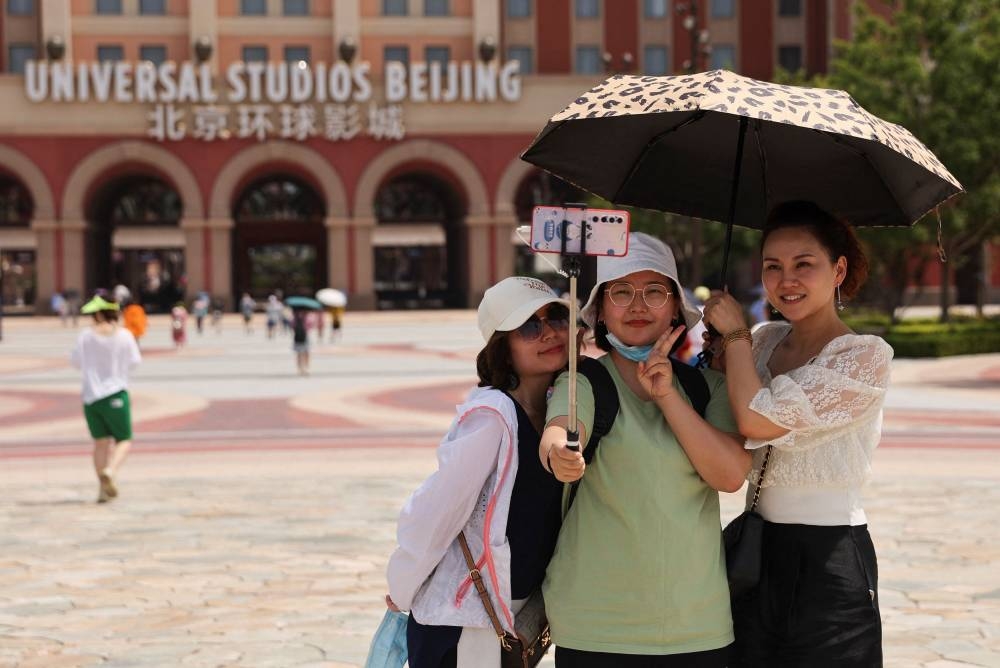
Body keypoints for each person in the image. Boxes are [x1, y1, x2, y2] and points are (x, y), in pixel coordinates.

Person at [542, 232, 750, 667]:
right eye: (621, 292)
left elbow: (730, 475)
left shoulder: (708, 388)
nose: (638, 305)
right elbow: (561, 429)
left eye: (654, 291)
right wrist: (560, 454)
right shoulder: (584, 382)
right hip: (595, 627)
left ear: (675, 307)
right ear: (601, 310)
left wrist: (669, 396)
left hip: (696, 626)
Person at [702, 201, 892, 667]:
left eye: (803, 264)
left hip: (830, 557)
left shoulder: (863, 356)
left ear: (838, 270)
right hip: (756, 550)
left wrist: (736, 337)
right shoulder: (765, 340)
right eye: (773, 266)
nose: (786, 280)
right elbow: (727, 416)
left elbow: (757, 421)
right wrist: (723, 357)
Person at [384, 277, 571, 667]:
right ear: (503, 349)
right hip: (462, 622)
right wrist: (402, 585)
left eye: (555, 317)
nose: (549, 333)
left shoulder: (560, 410)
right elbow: (438, 508)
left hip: (508, 617)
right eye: (529, 326)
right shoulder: (492, 415)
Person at [70, 295, 141, 503]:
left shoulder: (85, 336)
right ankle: (110, 471)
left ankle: (102, 490)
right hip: (116, 393)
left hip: (91, 398)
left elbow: (75, 362)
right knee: (124, 439)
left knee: (100, 443)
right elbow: (135, 361)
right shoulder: (125, 335)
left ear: (99, 313)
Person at [291, 308, 311, 375]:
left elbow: (292, 326)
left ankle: (301, 368)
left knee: (300, 354)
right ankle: (305, 368)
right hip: (304, 336)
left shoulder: (295, 318)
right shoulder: (306, 317)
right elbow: (310, 326)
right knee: (305, 353)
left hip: (298, 337)